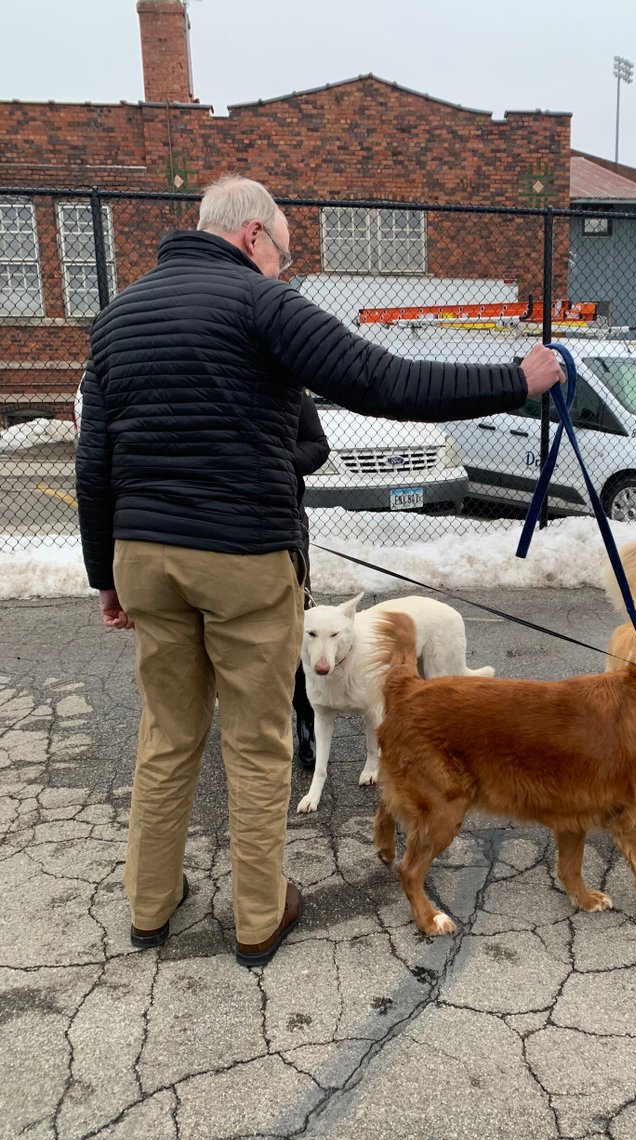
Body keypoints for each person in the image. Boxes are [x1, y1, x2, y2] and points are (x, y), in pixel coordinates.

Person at [75, 173, 564, 969]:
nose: (285, 268)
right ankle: (258, 918)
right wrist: (516, 379)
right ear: (252, 237)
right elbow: (385, 380)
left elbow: (94, 456)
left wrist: (106, 573)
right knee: (257, 739)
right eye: (284, 252)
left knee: (166, 734)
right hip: (241, 553)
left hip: (145, 556)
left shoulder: (118, 316)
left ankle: (150, 905)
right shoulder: (260, 303)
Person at [291, 391, 329, 769]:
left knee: (297, 623)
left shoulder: (290, 388)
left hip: (282, 521)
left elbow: (318, 446)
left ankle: (305, 718)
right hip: (210, 525)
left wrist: (275, 460)